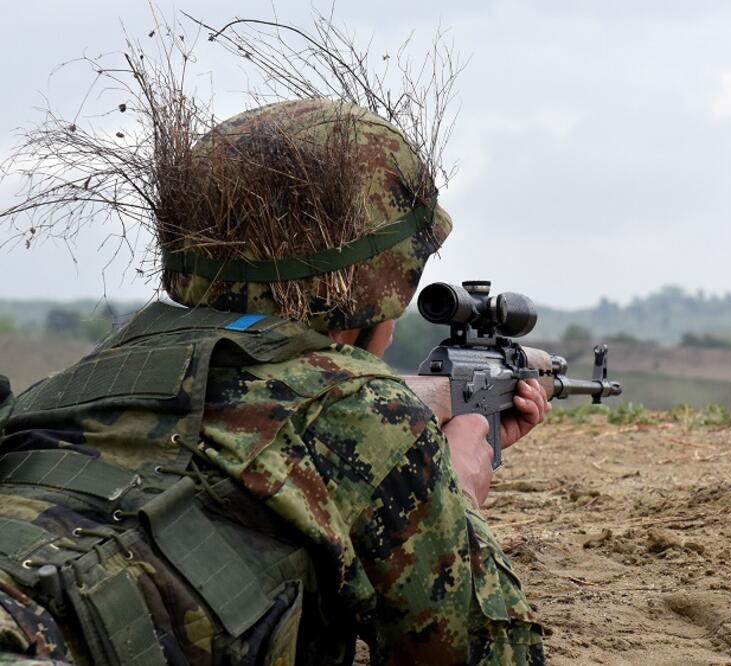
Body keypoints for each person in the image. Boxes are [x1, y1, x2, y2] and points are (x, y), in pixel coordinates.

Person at [0, 99, 547, 664]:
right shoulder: (364, 412)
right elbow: (488, 655)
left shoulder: (82, 377)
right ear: (380, 284)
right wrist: (458, 495)